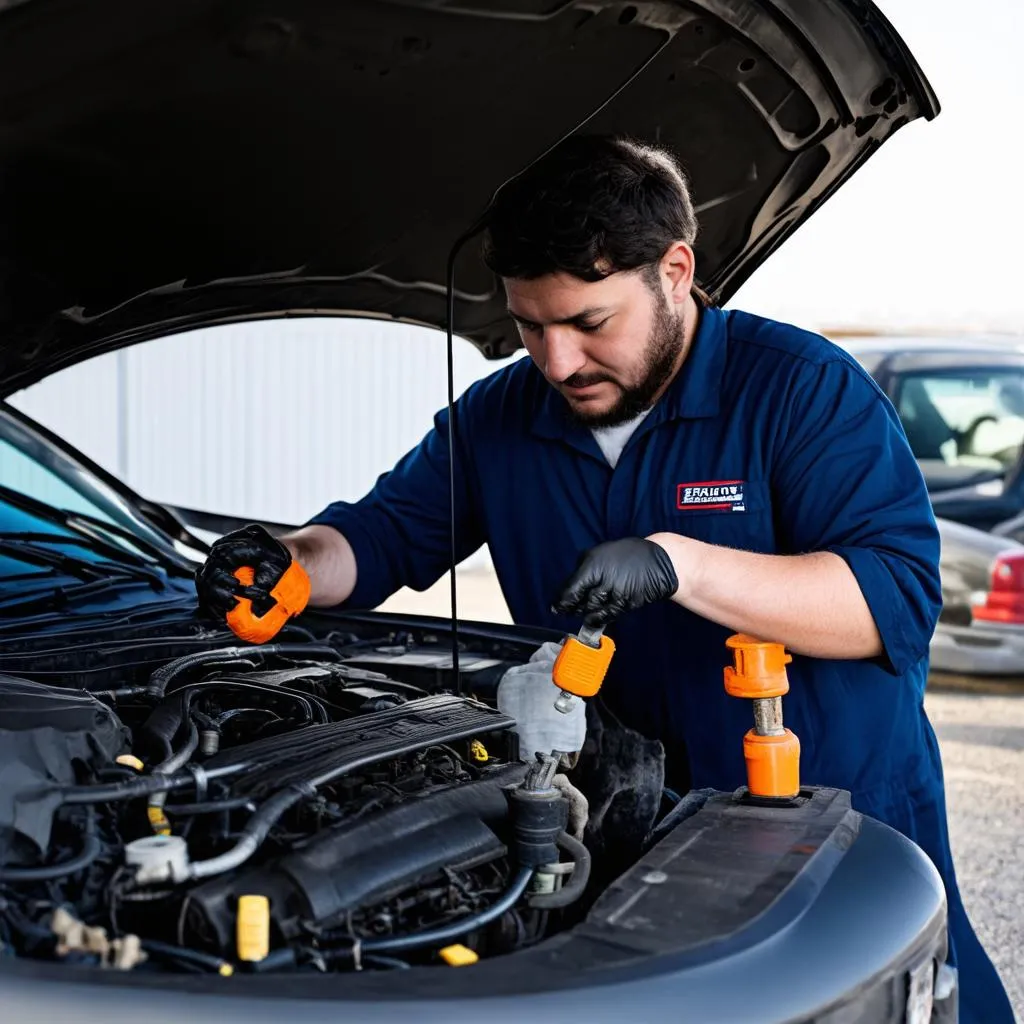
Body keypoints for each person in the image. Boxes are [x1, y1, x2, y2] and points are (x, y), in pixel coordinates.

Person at [195, 134, 1013, 1021]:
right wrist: (288, 566)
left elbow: (888, 601)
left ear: (674, 269)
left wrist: (682, 563)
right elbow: (378, 537)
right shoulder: (504, 416)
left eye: (588, 324)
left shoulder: (800, 389)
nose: (555, 363)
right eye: (527, 326)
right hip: (622, 833)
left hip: (833, 838)